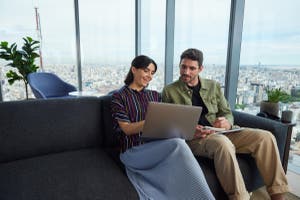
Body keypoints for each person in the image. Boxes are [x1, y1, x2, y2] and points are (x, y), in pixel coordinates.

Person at [162, 48, 289, 200]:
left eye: (192, 68)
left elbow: (227, 112)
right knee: (222, 144)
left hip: (221, 131)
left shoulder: (213, 86)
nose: (186, 72)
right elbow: (169, 124)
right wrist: (188, 130)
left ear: (200, 69)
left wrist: (227, 122)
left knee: (265, 137)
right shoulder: (169, 91)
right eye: (183, 67)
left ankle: (278, 195)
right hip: (195, 138)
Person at [111, 55, 215, 200]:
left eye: (152, 73)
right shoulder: (119, 97)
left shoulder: (155, 96)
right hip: (132, 151)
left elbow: (166, 127)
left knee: (179, 141)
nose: (149, 76)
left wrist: (189, 130)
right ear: (134, 69)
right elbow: (127, 129)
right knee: (178, 145)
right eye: (146, 71)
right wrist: (153, 120)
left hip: (155, 146)